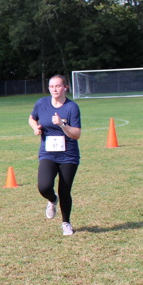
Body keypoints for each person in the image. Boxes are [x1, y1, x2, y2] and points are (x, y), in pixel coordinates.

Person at [28, 75, 82, 236]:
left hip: (68, 155)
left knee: (64, 190)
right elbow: (32, 118)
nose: (54, 89)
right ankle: (52, 199)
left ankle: (66, 223)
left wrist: (62, 124)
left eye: (58, 86)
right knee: (44, 186)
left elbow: (76, 134)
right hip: (48, 153)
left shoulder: (72, 107)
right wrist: (35, 127)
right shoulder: (41, 103)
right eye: (51, 86)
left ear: (65, 87)